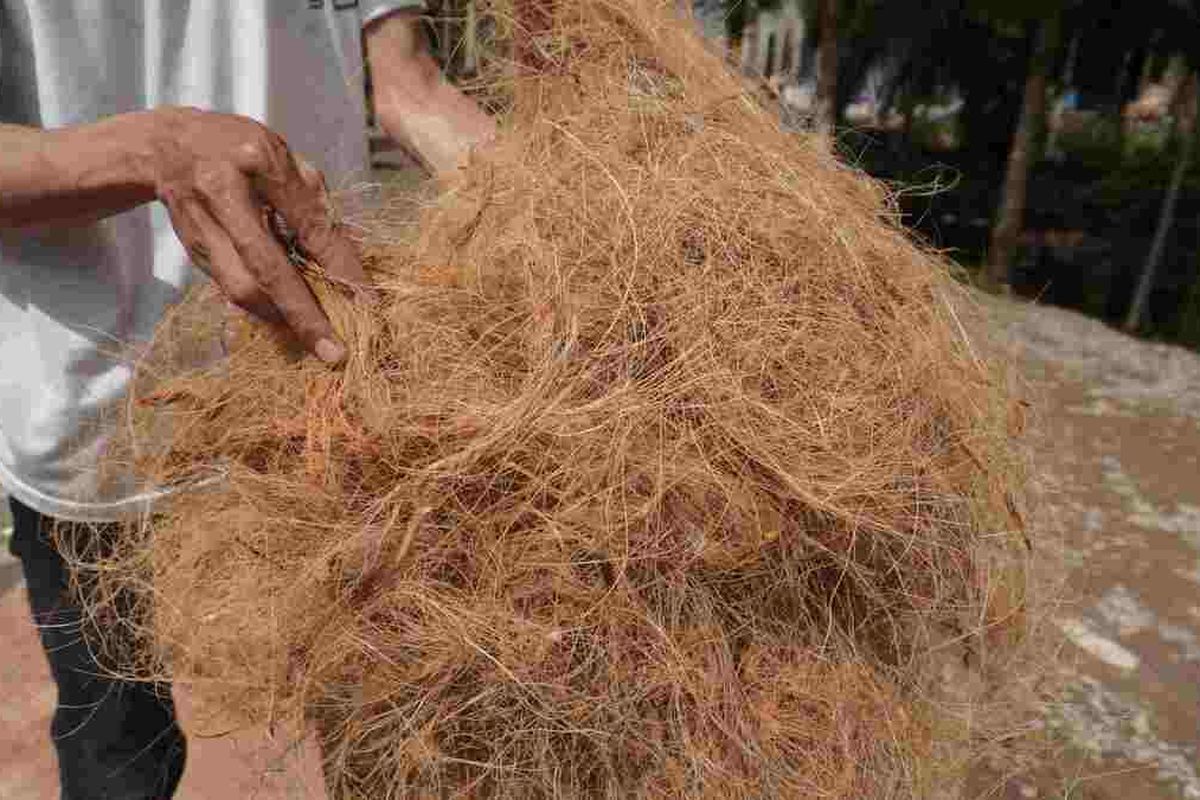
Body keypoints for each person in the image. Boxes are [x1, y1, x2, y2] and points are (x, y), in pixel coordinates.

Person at [0, 2, 494, 797]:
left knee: (396, 733)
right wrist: (149, 150)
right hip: (97, 429)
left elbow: (414, 89)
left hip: (328, 402)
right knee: (118, 758)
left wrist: (550, 211)